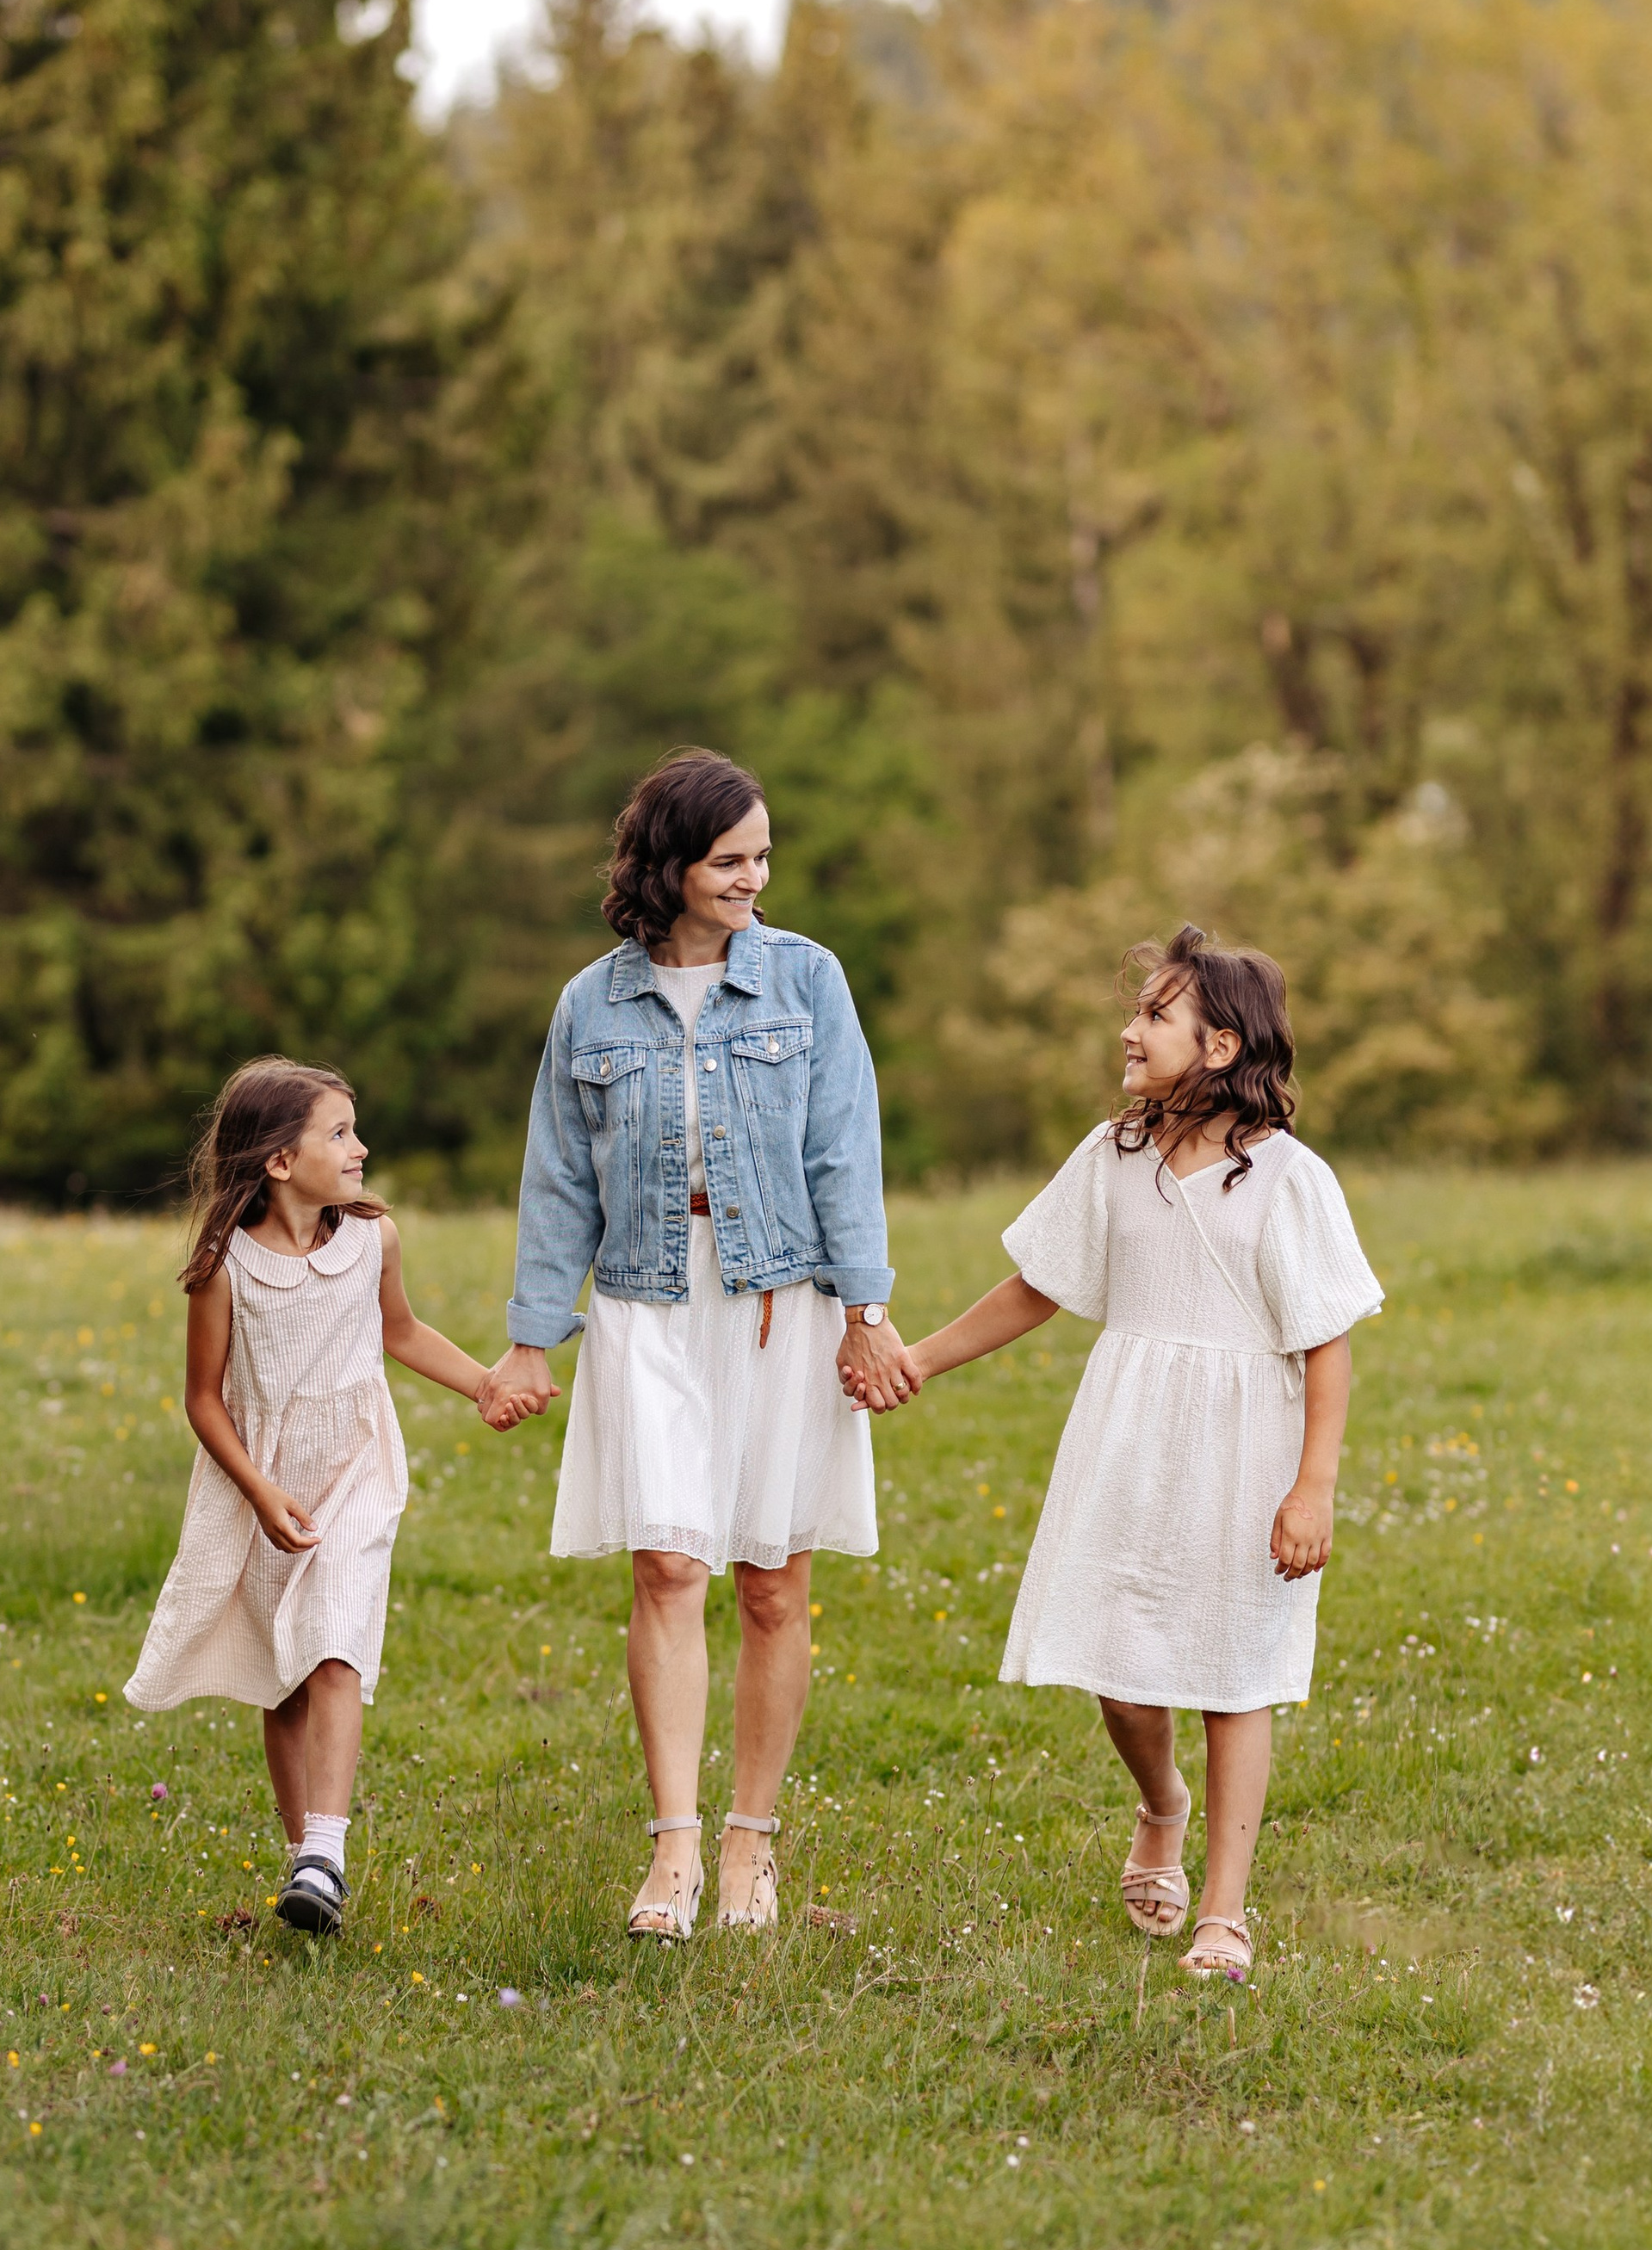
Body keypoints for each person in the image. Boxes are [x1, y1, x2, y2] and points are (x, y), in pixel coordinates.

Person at [873, 923, 1380, 1982]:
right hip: (1128, 1435)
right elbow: (1038, 1285)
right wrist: (919, 1355)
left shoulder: (1289, 1180)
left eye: (1155, 1013)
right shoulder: (1112, 1157)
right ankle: (1161, 1803)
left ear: (1221, 1046)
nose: (1128, 1028)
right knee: (1119, 1672)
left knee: (1234, 1675)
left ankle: (1224, 1916)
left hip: (1245, 1444)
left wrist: (1312, 1486)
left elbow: (1327, 1340)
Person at [489, 749, 917, 1942]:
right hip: (646, 1301)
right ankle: (672, 1848)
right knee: (669, 1566)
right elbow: (557, 1179)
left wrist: (868, 1316)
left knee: (774, 1583)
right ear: (667, 866)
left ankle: (750, 1843)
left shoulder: (807, 982)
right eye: (729, 861)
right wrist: (535, 1341)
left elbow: (844, 1151)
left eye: (762, 858)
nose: (751, 880)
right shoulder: (593, 1004)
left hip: (783, 1297)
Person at [124, 1058, 522, 1935]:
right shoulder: (226, 1267)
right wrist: (260, 1491)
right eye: (338, 1132)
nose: (360, 1146)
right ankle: (310, 1866)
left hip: (354, 1473)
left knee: (337, 1645)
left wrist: (485, 1383)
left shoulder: (371, 1237)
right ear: (276, 1160)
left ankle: (323, 1853)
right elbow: (201, 1397)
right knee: (286, 1680)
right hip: (265, 1478)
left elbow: (402, 1330)